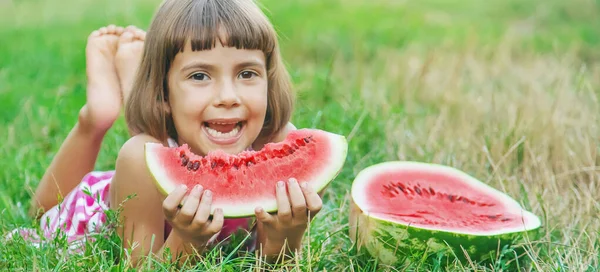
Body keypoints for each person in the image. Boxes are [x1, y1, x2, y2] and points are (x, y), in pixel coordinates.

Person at [10, 0, 324, 265]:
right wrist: (187, 240)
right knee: (42, 213)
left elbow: (270, 264)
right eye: (200, 75)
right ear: (162, 94)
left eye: (247, 73)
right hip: (99, 208)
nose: (229, 96)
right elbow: (141, 267)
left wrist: (288, 235)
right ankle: (97, 116)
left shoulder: (279, 147)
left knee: (156, 135)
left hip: (170, 132)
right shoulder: (140, 160)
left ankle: (139, 76)